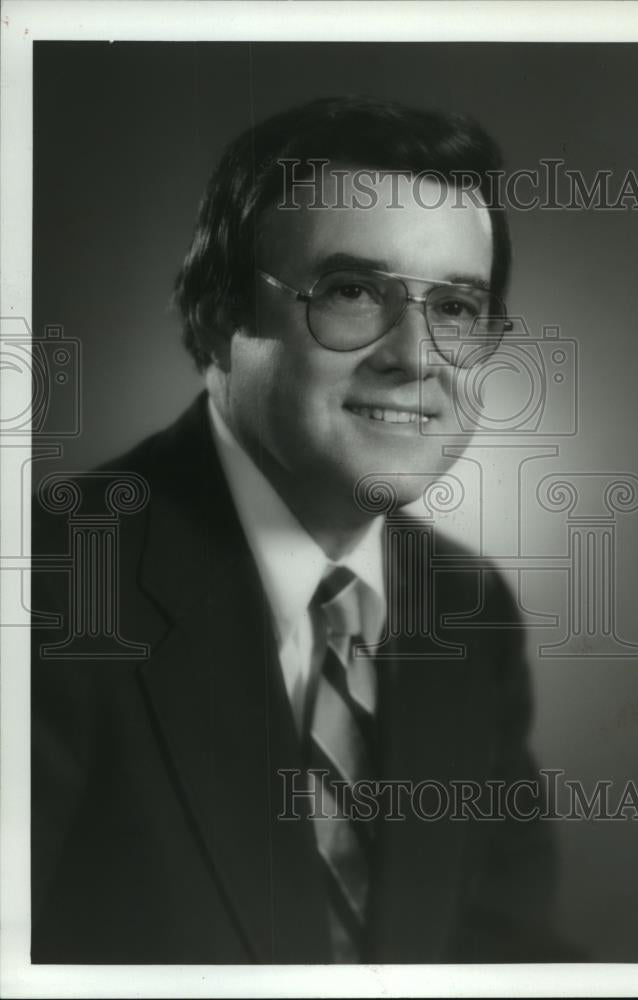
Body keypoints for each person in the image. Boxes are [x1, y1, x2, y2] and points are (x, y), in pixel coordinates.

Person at [31, 96, 568, 964]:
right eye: (354, 291)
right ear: (217, 318)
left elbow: (502, 953)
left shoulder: (467, 609)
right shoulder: (46, 588)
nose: (419, 356)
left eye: (459, 308)